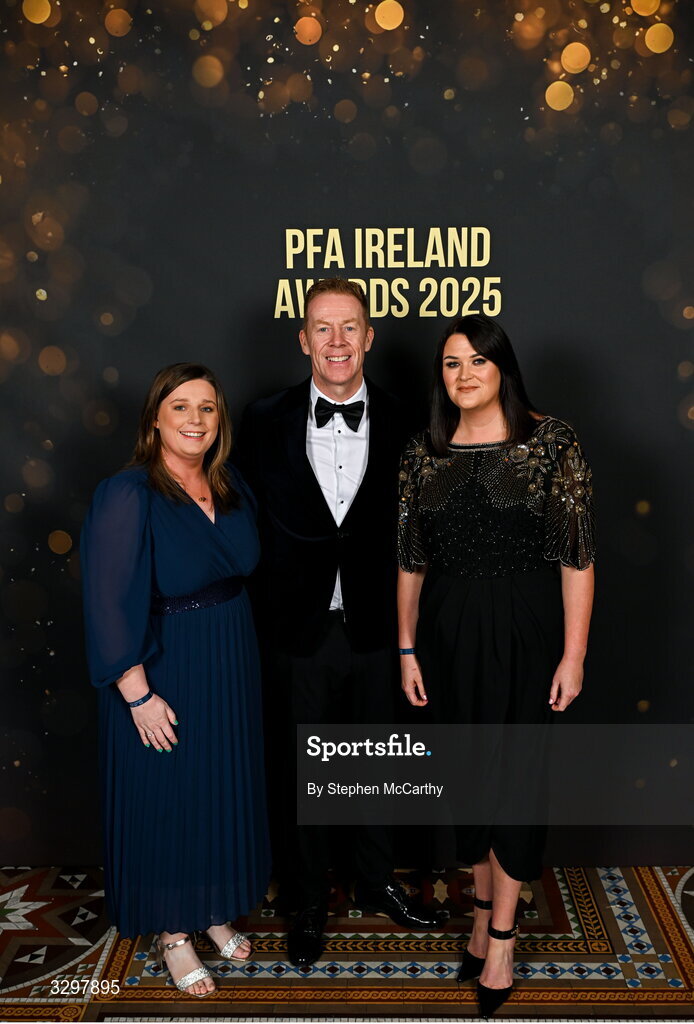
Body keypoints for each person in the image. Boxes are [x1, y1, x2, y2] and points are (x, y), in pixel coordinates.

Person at [238, 278, 440, 968]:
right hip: (295, 630)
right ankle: (306, 899)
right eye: (323, 328)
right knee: (302, 771)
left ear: (369, 337)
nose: (337, 342)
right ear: (303, 340)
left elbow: (422, 531)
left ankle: (377, 879)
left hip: (377, 627)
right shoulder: (261, 419)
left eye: (349, 327)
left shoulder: (410, 421)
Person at [397, 315, 595, 1017]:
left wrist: (573, 655)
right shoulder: (423, 452)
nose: (465, 374)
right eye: (452, 363)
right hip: (448, 632)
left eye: (478, 361)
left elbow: (576, 556)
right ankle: (482, 915)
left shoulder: (552, 442)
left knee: (515, 779)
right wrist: (406, 647)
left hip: (526, 629)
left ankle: (504, 938)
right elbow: (410, 559)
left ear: (503, 368)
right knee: (468, 777)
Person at [80, 363, 271, 997]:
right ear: (155, 419)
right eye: (180, 406)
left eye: (207, 408)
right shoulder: (127, 491)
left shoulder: (230, 483)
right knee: (168, 796)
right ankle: (172, 931)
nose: (195, 419)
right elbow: (107, 599)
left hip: (229, 656)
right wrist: (136, 693)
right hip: (164, 663)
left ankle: (211, 908)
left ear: (220, 420)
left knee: (216, 786)